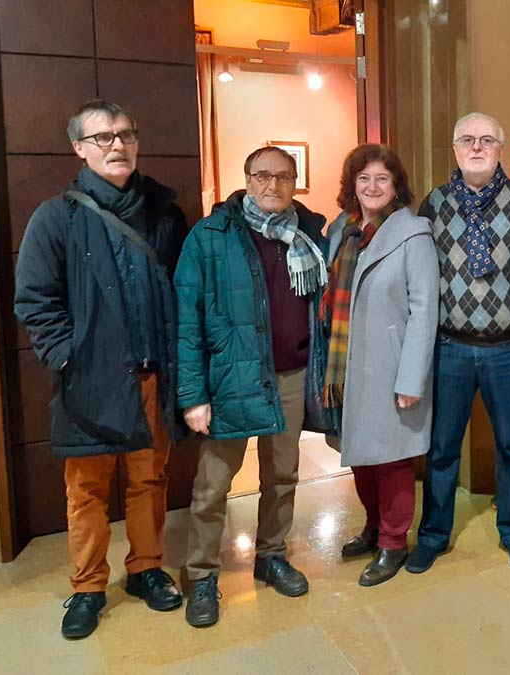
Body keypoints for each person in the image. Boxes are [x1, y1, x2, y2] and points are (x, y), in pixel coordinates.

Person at [14, 99, 186, 639]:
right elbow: (34, 300)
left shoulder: (163, 212)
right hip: (88, 378)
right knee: (85, 488)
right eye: (103, 137)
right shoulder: (56, 216)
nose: (117, 145)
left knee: (148, 478)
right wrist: (68, 357)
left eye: (126, 134)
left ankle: (146, 569)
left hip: (150, 374)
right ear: (79, 149)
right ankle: (88, 586)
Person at [175, 146, 328, 628]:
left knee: (282, 476)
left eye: (283, 177)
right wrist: (193, 394)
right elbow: (187, 320)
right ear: (245, 179)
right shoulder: (210, 235)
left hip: (291, 375)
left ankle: (271, 555)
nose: (272, 185)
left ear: (295, 182)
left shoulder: (310, 236)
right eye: (262, 175)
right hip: (229, 380)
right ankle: (201, 575)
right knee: (212, 486)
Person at [406, 112, 510, 575]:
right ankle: (433, 535)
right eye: (467, 140)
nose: (477, 147)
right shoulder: (435, 203)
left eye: (487, 140)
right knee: (442, 448)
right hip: (451, 348)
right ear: (455, 149)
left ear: (501, 149)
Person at [326, 144, 439, 587]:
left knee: (391, 460)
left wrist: (411, 378)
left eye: (381, 180)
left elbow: (424, 310)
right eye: (363, 179)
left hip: (391, 367)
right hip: (350, 366)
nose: (372, 188)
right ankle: (372, 527)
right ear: (352, 187)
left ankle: (394, 542)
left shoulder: (413, 234)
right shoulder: (345, 232)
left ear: (396, 187)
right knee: (361, 458)